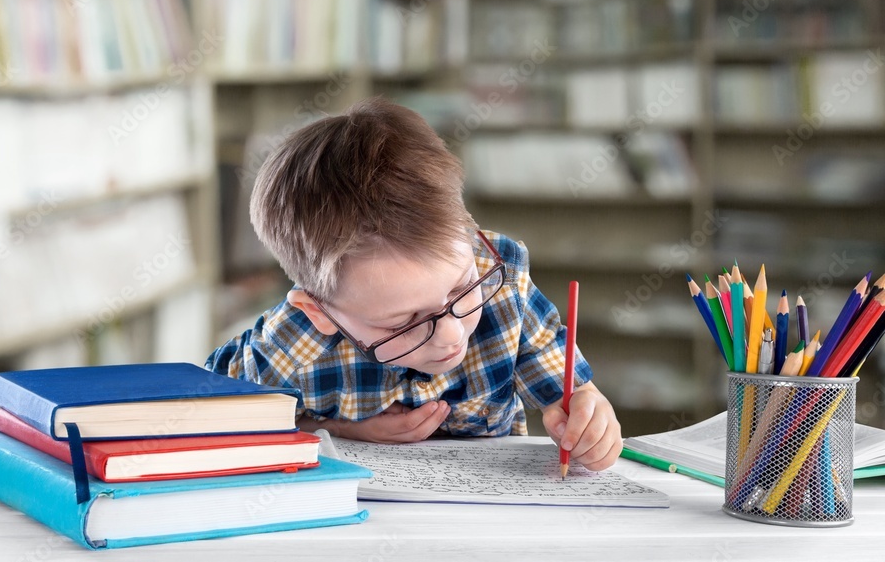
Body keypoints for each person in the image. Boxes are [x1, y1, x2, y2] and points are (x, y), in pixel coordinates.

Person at [207, 98, 622, 471]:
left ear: (470, 237)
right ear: (320, 312)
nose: (449, 335)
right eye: (405, 323)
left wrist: (589, 415)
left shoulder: (500, 275)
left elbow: (569, 392)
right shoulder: (294, 341)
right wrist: (332, 427)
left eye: (460, 291)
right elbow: (209, 416)